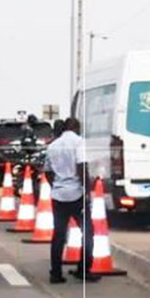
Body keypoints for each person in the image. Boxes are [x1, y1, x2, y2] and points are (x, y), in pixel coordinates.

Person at [43, 117, 101, 284]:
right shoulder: (78, 142)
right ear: (76, 128)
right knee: (87, 232)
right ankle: (83, 270)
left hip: (58, 196)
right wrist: (87, 191)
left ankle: (55, 273)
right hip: (76, 195)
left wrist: (56, 185)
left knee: (59, 235)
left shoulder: (53, 145)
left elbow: (47, 171)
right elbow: (82, 167)